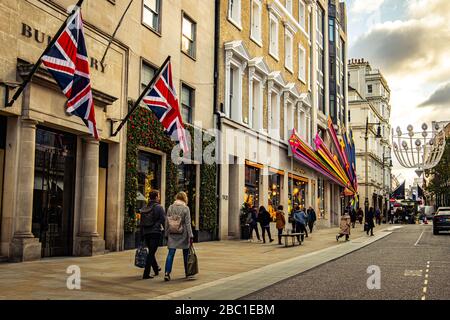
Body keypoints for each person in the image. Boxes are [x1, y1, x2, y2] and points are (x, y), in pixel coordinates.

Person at [164, 192, 194, 281]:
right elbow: (188, 223)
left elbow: (167, 221)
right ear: (184, 198)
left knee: (170, 254)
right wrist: (191, 235)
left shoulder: (170, 207)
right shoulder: (186, 208)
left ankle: (167, 273)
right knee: (186, 254)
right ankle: (187, 272)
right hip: (183, 233)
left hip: (172, 233)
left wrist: (166, 233)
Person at [140, 190, 166, 279]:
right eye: (158, 196)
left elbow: (141, 223)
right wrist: (166, 232)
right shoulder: (159, 207)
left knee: (151, 251)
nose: (159, 197)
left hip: (146, 232)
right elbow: (163, 220)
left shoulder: (145, 207)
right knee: (151, 253)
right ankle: (146, 274)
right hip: (155, 232)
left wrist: (141, 235)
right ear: (155, 197)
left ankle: (155, 269)